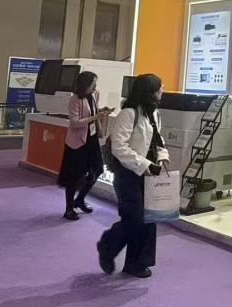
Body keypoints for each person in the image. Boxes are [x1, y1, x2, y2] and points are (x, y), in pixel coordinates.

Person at [97, 74, 170, 278]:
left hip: (149, 176)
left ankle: (136, 264)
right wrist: (144, 164)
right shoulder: (128, 114)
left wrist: (162, 157)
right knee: (134, 218)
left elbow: (158, 141)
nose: (162, 90)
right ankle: (107, 245)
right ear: (150, 92)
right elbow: (119, 147)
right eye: (159, 88)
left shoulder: (154, 114)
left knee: (149, 219)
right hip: (128, 174)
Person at [57, 71, 111, 221]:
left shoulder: (93, 96)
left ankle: (80, 199)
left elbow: (91, 112)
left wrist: (100, 111)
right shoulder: (74, 99)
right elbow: (74, 122)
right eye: (93, 84)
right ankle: (69, 209)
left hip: (91, 139)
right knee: (73, 176)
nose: (95, 87)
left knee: (98, 170)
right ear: (85, 84)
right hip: (77, 142)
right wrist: (95, 117)